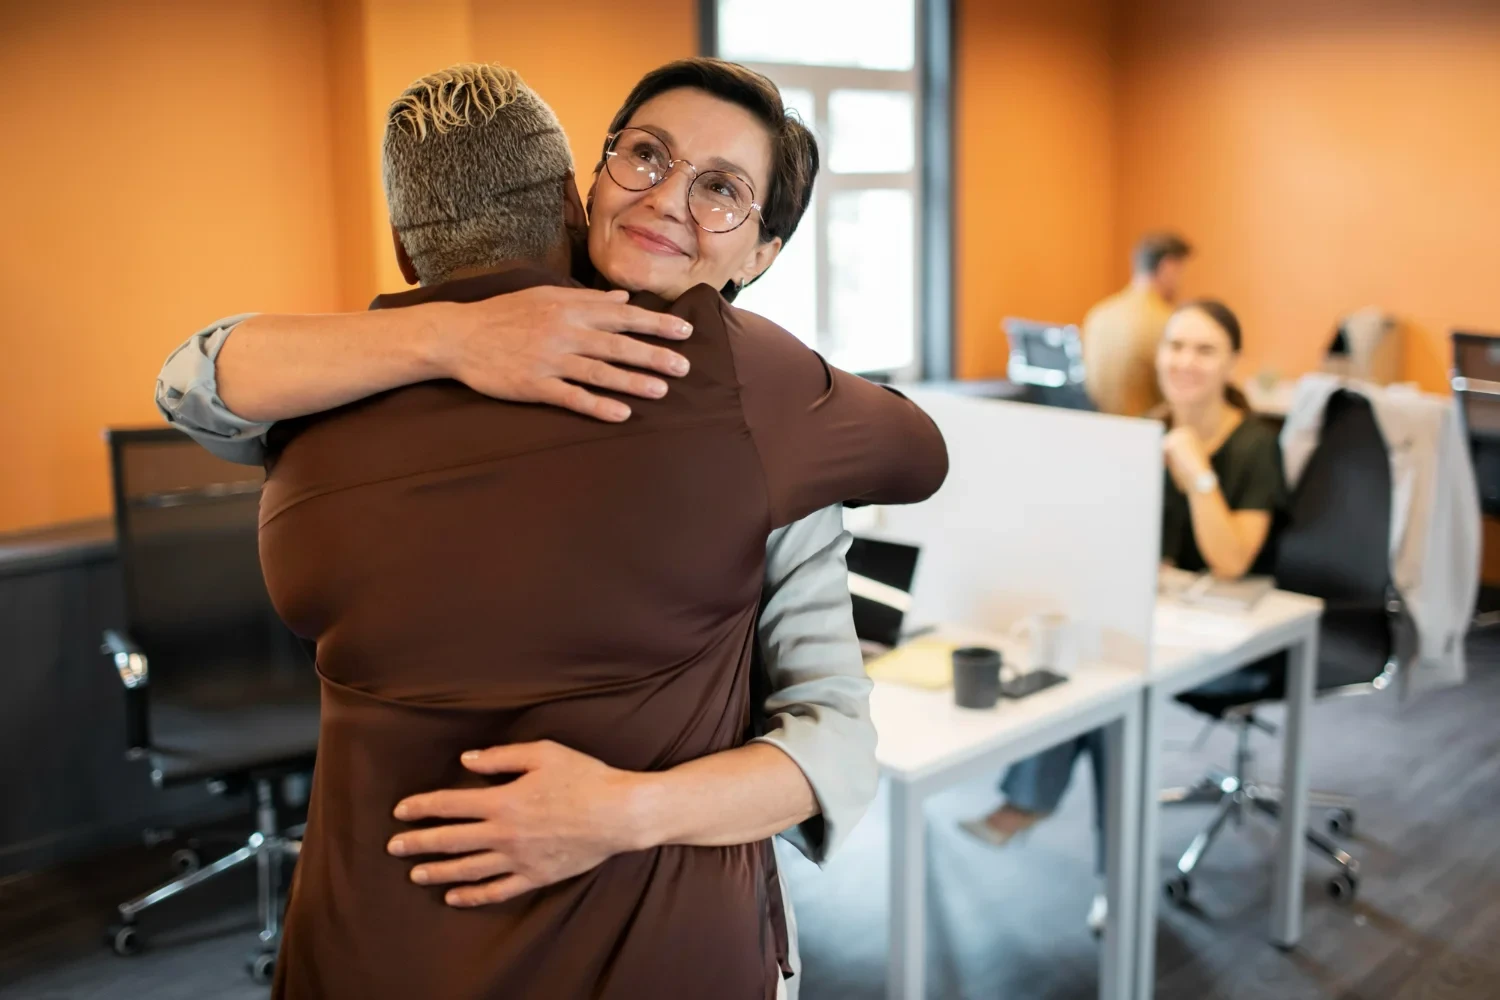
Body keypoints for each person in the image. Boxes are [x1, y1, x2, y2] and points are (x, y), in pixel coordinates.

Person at [194, 60, 946, 999]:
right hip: (388, 941)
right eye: (647, 155)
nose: (666, 197)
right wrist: (452, 337)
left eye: (721, 188)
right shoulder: (378, 373)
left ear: (761, 253)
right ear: (583, 186)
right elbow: (196, 384)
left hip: (639, 933)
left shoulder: (772, 422)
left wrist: (625, 812)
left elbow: (833, 741)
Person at [962, 298, 1285, 932]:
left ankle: (1049, 816)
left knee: (1114, 697)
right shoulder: (1147, 429)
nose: (1185, 361)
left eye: (1205, 350)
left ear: (1232, 363)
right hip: (1161, 623)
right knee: (1090, 667)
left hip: (1241, 640)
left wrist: (1198, 475)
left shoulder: (1254, 445)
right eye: (1176, 346)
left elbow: (1231, 561)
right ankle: (1109, 870)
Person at [1081, 231, 1193, 417]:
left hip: (1102, 425)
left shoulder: (1099, 315)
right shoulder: (1168, 322)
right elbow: (1180, 391)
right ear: (1167, 267)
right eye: (1180, 272)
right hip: (1147, 427)